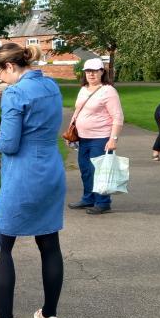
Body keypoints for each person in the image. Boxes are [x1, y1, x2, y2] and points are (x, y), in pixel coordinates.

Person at [0, 43, 65, 318]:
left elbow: (10, 144)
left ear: (10, 67)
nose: (1, 81)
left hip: (25, 174)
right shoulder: (50, 85)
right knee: (49, 243)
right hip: (51, 169)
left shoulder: (15, 92)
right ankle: (49, 315)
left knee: (0, 245)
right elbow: (33, 130)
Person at [65, 58, 124, 215]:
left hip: (101, 138)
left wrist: (113, 139)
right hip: (83, 138)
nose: (91, 74)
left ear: (102, 72)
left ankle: (103, 202)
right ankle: (88, 198)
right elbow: (77, 111)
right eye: (88, 71)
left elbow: (118, 117)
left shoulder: (108, 91)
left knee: (99, 170)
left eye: (95, 71)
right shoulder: (84, 89)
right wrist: (70, 131)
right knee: (86, 170)